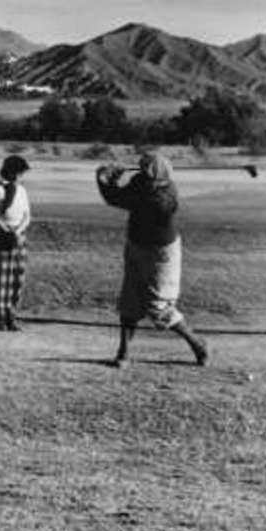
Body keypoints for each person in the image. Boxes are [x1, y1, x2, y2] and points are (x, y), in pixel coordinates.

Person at [96, 150, 209, 368]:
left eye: (145, 172)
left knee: (159, 306)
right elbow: (124, 191)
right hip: (136, 244)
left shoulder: (163, 199)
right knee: (130, 301)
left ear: (156, 177)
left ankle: (197, 344)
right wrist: (115, 177)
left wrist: (103, 179)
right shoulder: (144, 183)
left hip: (161, 254)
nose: (140, 175)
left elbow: (116, 198)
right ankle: (123, 353)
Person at [0, 155, 32, 331]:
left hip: (19, 236)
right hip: (1, 236)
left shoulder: (22, 190)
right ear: (9, 170)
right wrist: (8, 232)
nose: (20, 175)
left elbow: (27, 215)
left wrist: (18, 232)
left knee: (17, 278)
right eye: (18, 172)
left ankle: (12, 315)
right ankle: (0, 317)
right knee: (1, 279)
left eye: (22, 173)